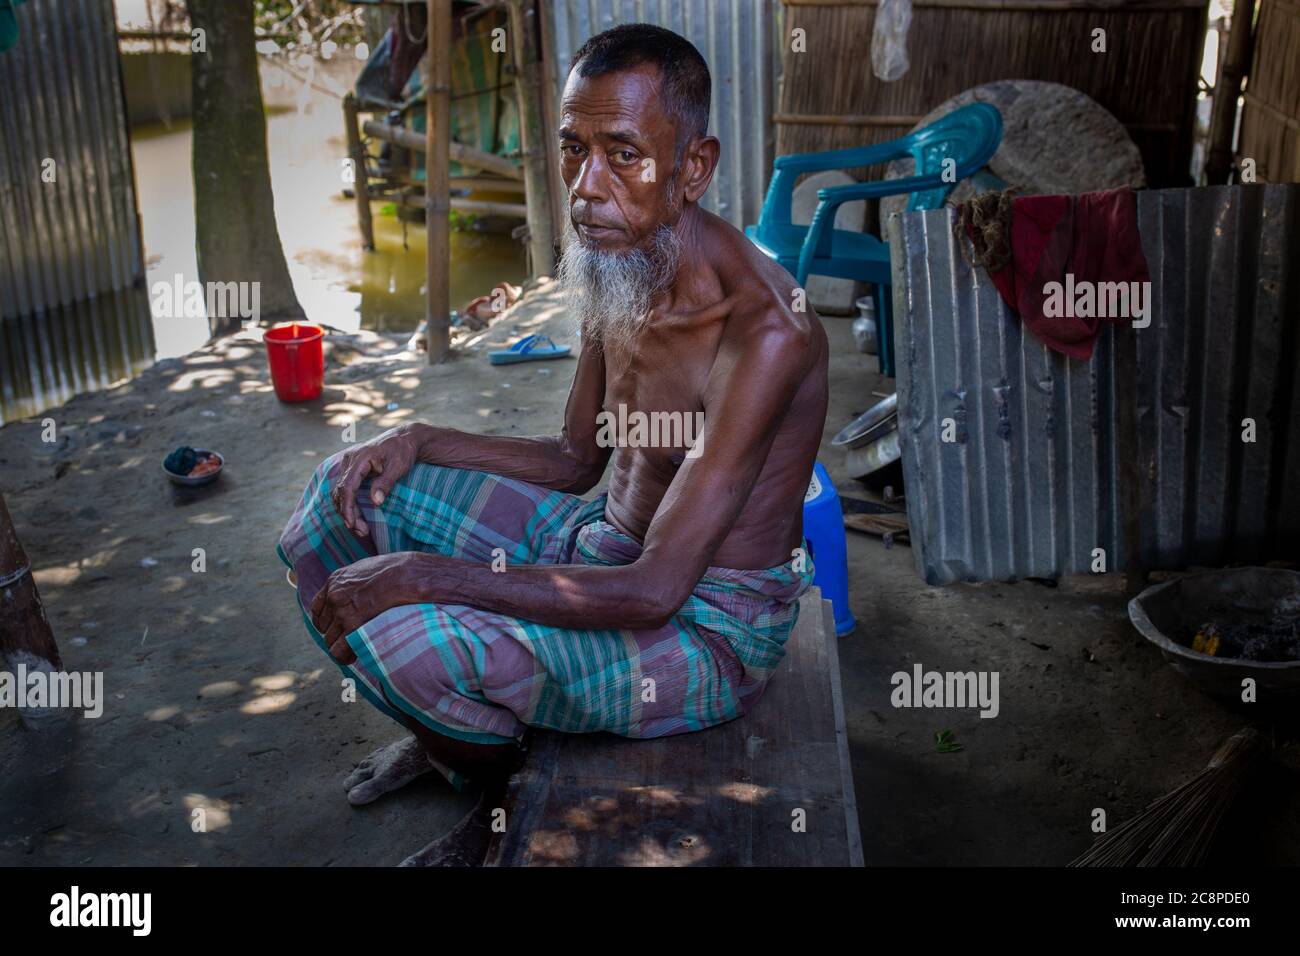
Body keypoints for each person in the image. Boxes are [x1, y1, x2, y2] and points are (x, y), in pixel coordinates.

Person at [278, 22, 828, 866]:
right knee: (338, 499)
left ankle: (497, 806)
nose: (586, 187)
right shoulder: (622, 263)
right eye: (574, 150)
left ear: (694, 167)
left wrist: (423, 575)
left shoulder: (764, 332)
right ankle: (456, 744)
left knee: (405, 637)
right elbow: (576, 460)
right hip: (600, 546)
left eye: (623, 155)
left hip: (704, 623)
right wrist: (416, 438)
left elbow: (653, 590)